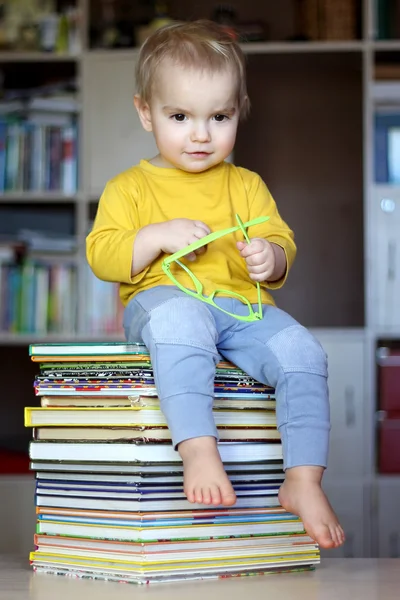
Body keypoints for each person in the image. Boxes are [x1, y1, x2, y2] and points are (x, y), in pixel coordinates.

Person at [86, 19, 345, 549]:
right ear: (145, 112)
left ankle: (303, 479)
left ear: (239, 111)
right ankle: (199, 450)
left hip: (240, 310)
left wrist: (269, 257)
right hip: (162, 304)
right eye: (180, 117)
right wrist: (156, 236)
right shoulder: (129, 187)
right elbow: (103, 255)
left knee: (303, 350)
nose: (201, 134)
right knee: (183, 319)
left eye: (219, 117)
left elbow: (281, 238)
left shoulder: (245, 185)